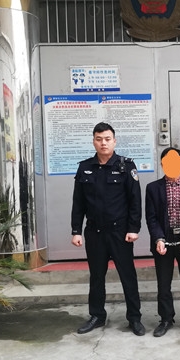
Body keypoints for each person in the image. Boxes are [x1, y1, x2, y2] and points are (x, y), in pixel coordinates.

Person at [71, 122, 145, 336]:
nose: (103, 143)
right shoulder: (85, 167)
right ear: (93, 141)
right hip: (94, 232)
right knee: (96, 277)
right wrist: (76, 230)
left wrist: (133, 228)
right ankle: (97, 316)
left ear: (114, 141)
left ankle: (134, 318)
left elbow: (135, 200)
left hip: (120, 233)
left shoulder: (126, 166)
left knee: (128, 276)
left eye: (107, 139)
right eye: (99, 139)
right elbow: (78, 202)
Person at [145, 147, 180, 337]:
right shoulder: (153, 188)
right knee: (163, 284)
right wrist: (158, 238)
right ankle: (166, 319)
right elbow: (151, 218)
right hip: (164, 241)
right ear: (162, 165)